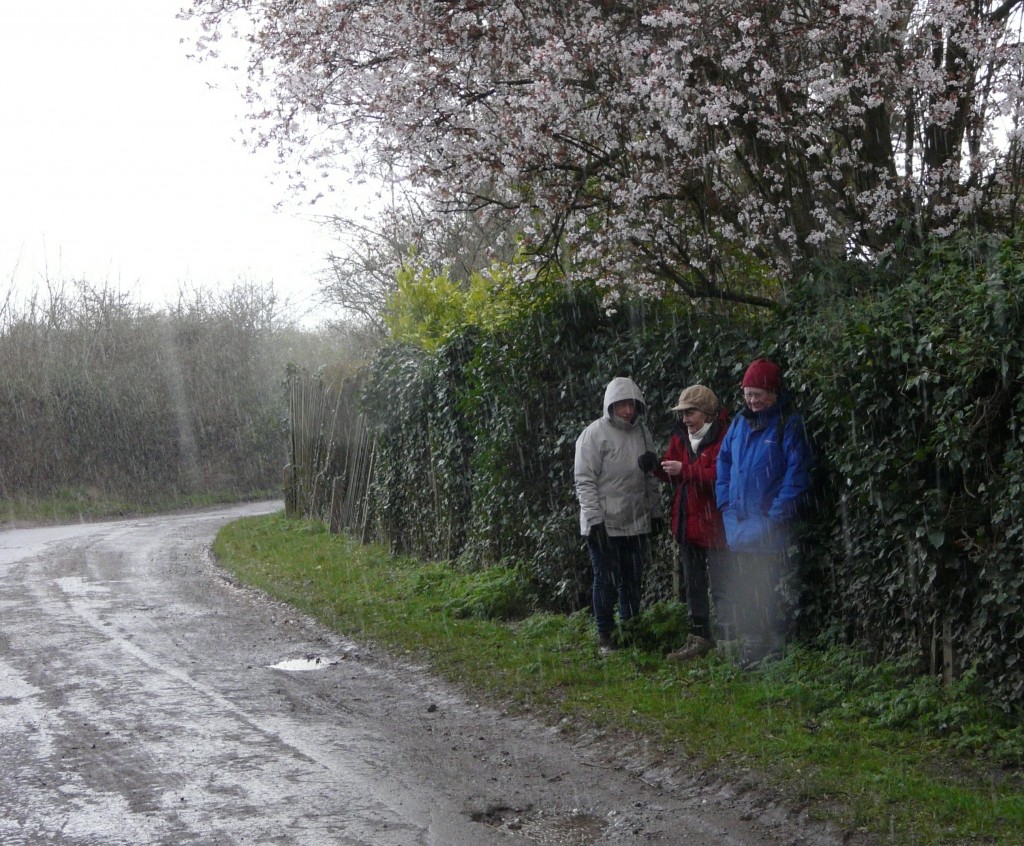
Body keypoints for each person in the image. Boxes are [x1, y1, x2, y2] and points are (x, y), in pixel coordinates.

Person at [715, 358, 812, 667]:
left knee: (771, 589)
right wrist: (725, 505)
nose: (752, 401)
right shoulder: (739, 424)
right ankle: (752, 647)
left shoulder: (788, 424)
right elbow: (724, 464)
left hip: (771, 528)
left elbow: (797, 475)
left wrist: (776, 516)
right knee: (748, 590)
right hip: (739, 524)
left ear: (773, 393)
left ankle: (773, 649)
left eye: (758, 394)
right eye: (748, 395)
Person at [574, 376, 664, 655]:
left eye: (632, 405)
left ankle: (630, 630)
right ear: (610, 405)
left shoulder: (642, 434)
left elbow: (651, 476)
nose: (627, 411)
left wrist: (656, 512)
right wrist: (595, 521)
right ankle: (605, 635)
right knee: (606, 580)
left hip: (635, 520)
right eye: (622, 405)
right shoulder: (594, 435)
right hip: (604, 523)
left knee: (632, 579)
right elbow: (584, 480)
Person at [654, 385, 729, 662]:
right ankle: (699, 639)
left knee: (723, 586)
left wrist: (684, 470)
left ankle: (728, 642)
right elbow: (673, 474)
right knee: (694, 586)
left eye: (690, 412)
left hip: (716, 525)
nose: (685, 419)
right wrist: (656, 468)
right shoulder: (680, 438)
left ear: (707, 413)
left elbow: (719, 475)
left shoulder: (724, 438)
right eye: (683, 413)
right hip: (687, 524)